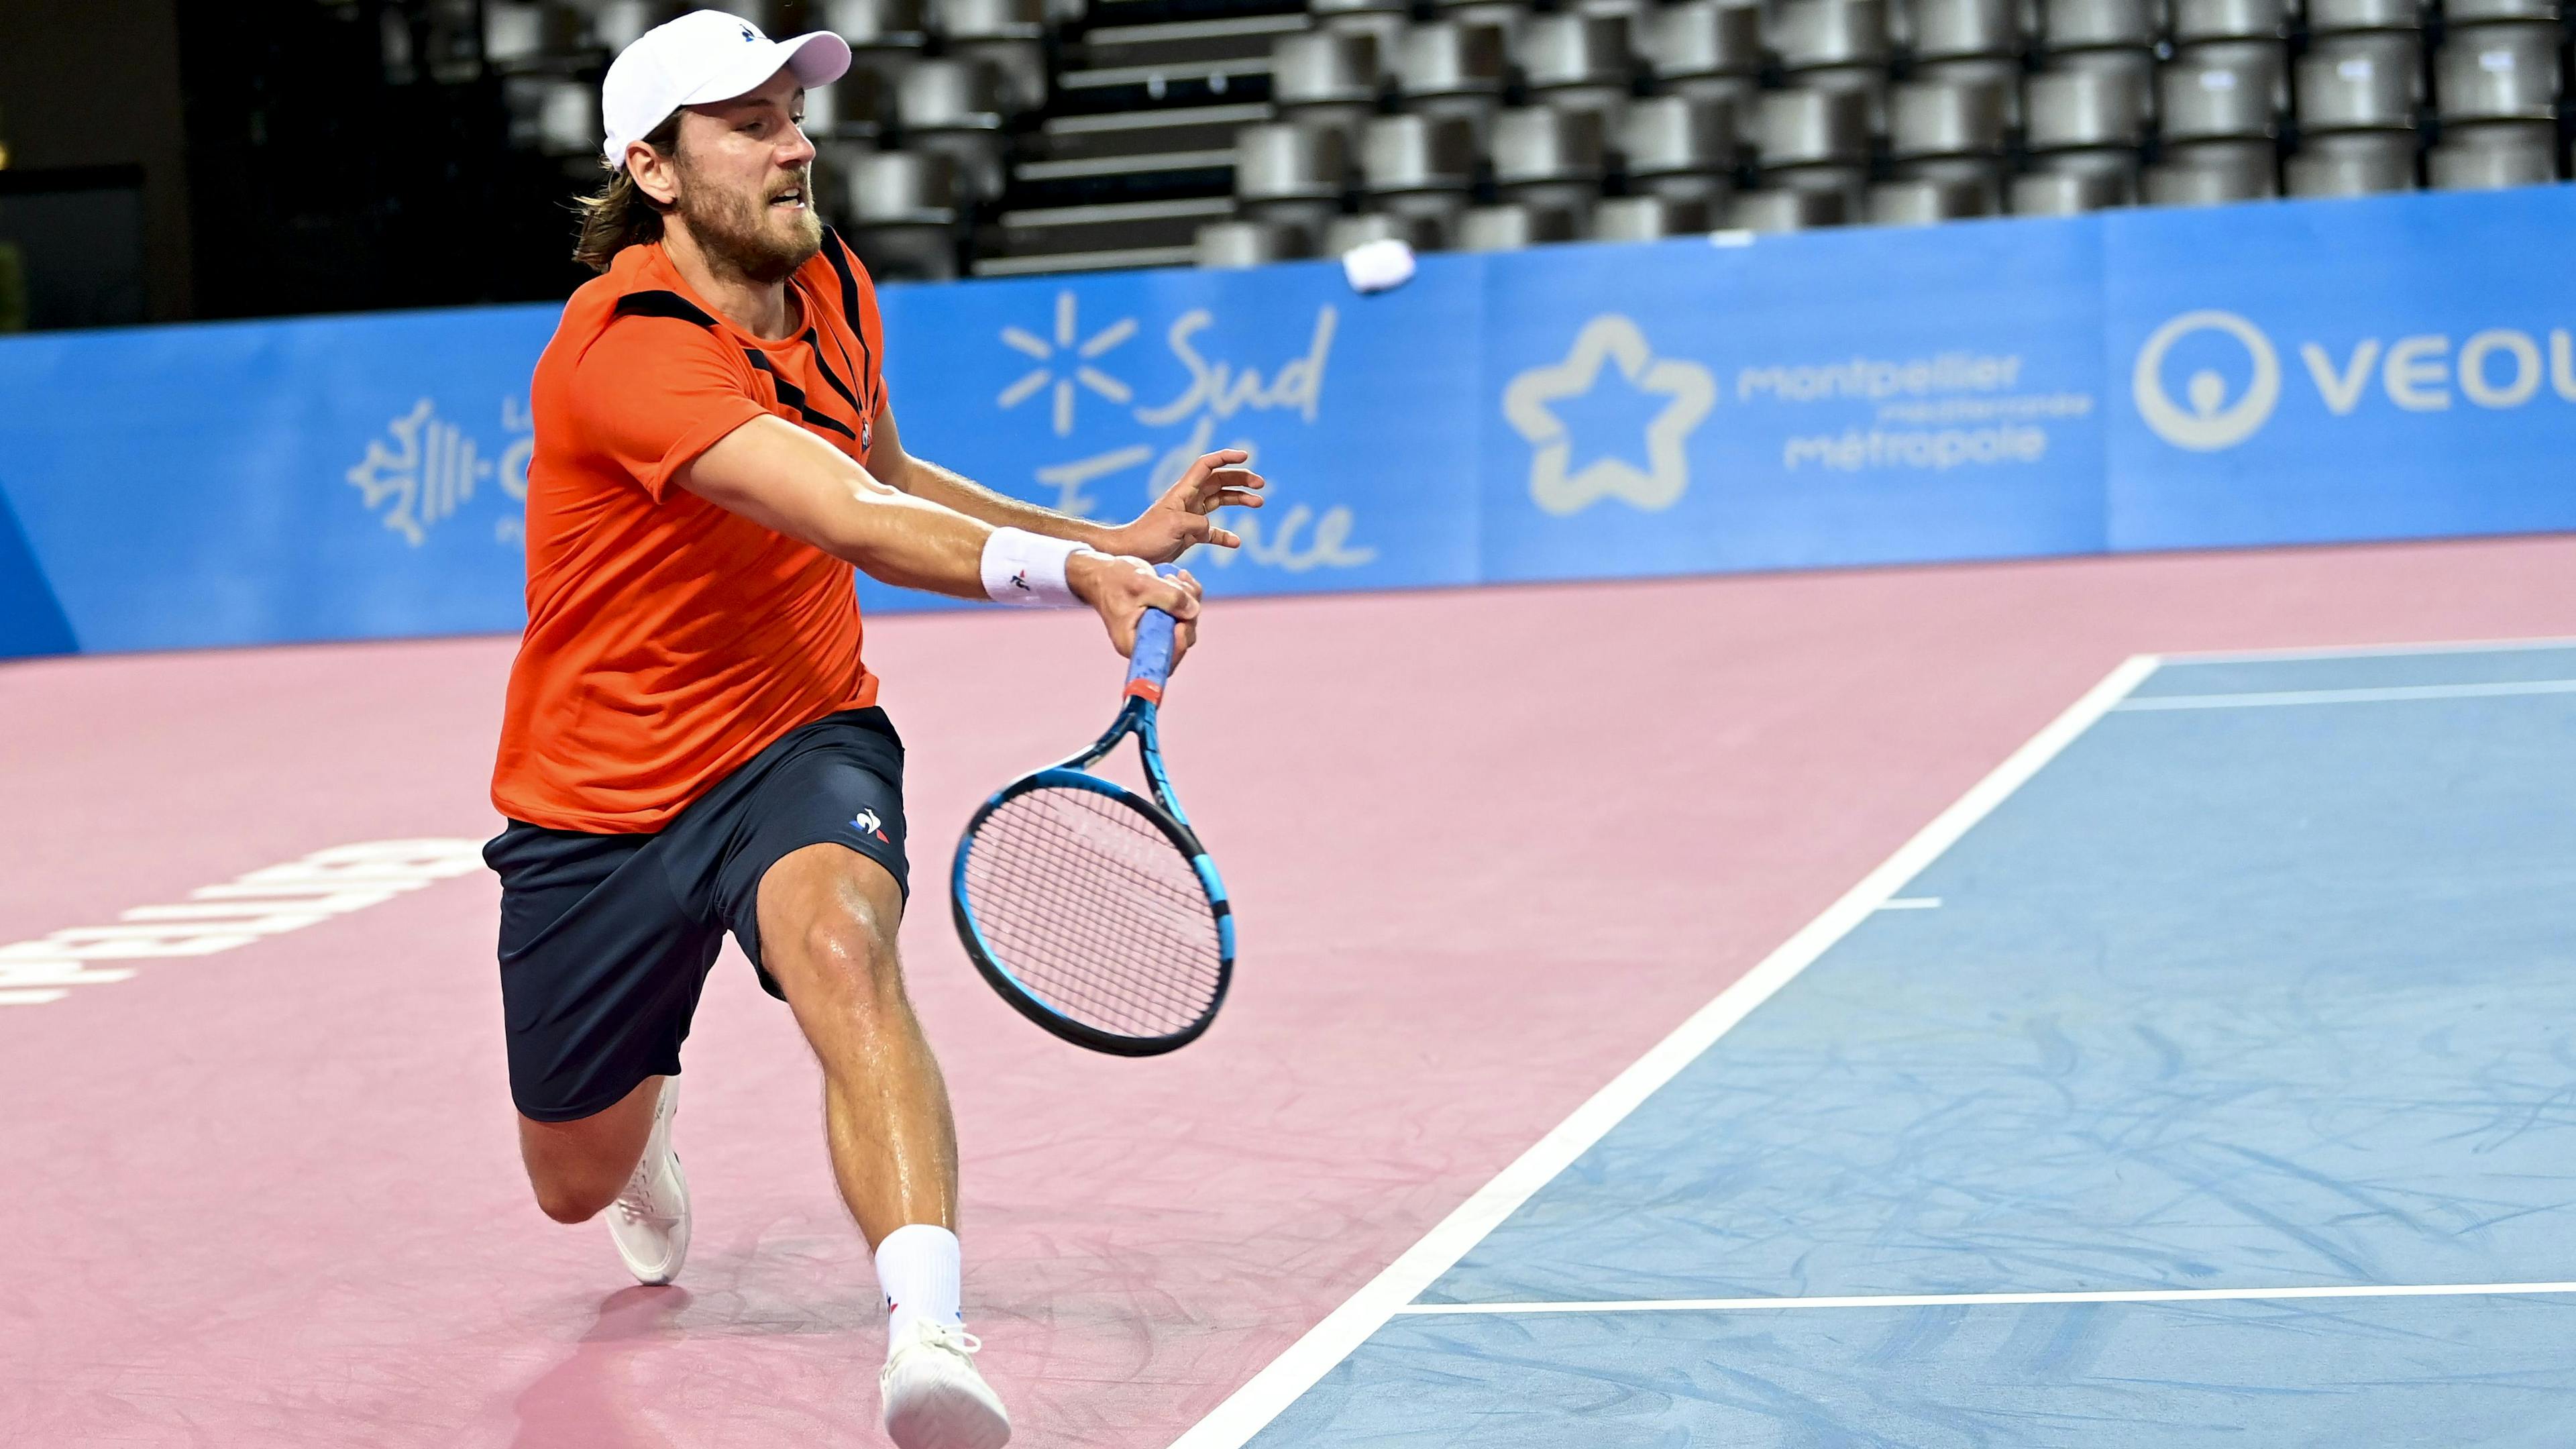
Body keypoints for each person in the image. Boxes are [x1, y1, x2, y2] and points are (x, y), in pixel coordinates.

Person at [482, 13, 1264, 1448]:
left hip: (799, 733)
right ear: (654, 170)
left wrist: (1102, 534)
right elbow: (843, 515)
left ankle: (929, 1338)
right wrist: (1071, 574)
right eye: (751, 124)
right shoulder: (625, 345)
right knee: (572, 1181)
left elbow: (885, 470)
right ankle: (640, 1114)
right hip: (601, 795)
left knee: (846, 950)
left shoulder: (831, 276)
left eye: (795, 110)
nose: (795, 143)